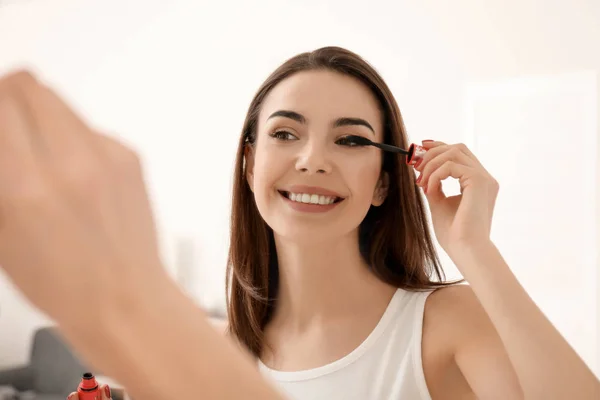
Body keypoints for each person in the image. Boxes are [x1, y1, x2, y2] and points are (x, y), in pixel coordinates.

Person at [0, 47, 597, 400]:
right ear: (250, 161)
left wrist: (475, 249)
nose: (313, 158)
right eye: (286, 133)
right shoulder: (219, 346)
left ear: (385, 181)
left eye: (351, 139)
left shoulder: (445, 323)